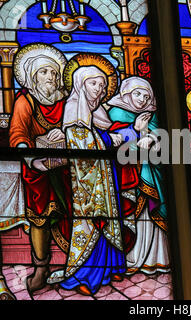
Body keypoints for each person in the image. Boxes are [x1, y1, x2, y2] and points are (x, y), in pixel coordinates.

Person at [46, 64, 137, 296]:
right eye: (94, 83)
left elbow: (100, 135)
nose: (99, 89)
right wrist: (112, 139)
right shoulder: (73, 109)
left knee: (110, 220)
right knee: (91, 224)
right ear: (80, 84)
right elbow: (82, 142)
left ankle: (110, 267)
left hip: (105, 176)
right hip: (85, 182)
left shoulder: (99, 114)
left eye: (103, 85)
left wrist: (120, 136)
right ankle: (85, 274)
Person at [8, 44, 73, 295]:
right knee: (40, 218)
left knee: (76, 214)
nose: (51, 77)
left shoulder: (67, 99)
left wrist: (66, 133)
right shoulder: (26, 100)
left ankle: (75, 264)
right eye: (44, 72)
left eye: (54, 73)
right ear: (33, 76)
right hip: (37, 167)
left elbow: (82, 124)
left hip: (67, 166)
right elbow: (18, 133)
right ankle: (41, 268)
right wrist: (32, 156)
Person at [106, 76, 170, 275]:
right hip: (128, 174)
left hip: (152, 173)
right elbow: (113, 141)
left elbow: (165, 139)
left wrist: (149, 136)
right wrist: (136, 131)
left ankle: (157, 258)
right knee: (135, 216)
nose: (142, 99)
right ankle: (134, 258)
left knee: (152, 216)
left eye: (146, 95)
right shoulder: (115, 112)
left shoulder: (154, 115)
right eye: (137, 94)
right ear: (126, 93)